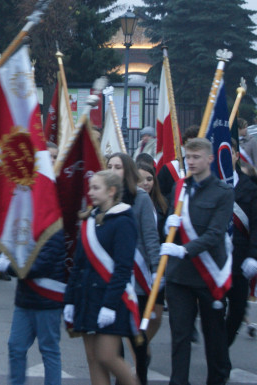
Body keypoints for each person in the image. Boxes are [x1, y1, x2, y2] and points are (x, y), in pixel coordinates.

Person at [158, 137, 234, 385]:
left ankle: (218, 379)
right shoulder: (180, 188)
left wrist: (183, 250)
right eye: (188, 157)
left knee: (214, 336)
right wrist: (169, 224)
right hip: (180, 276)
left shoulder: (223, 192)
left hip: (208, 274)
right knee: (180, 335)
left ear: (209, 159)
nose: (190, 162)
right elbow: (172, 224)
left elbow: (215, 234)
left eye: (196, 157)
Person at [63, 170, 139, 385]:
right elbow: (77, 265)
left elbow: (123, 268)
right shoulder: (89, 220)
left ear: (112, 191)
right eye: (90, 188)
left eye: (96, 188)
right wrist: (69, 299)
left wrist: (109, 305)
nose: (90, 192)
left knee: (107, 356)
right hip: (86, 297)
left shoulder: (124, 222)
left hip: (111, 300)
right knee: (93, 359)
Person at [105, 153, 159, 385]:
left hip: (137, 279)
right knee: (115, 337)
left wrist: (157, 270)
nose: (113, 170)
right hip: (112, 276)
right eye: (109, 166)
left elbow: (150, 236)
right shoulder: (105, 197)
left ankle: (141, 378)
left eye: (118, 166)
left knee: (137, 337)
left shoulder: (141, 198)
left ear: (127, 171)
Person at [0, 229, 67, 385]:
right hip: (24, 300)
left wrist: (9, 267)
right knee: (16, 347)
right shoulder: (25, 225)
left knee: (49, 351)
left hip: (47, 301)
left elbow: (40, 266)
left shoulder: (54, 229)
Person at [225, 159, 257, 344]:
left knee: (238, 310)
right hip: (213, 262)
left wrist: (255, 256)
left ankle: (223, 346)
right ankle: (218, 354)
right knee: (212, 311)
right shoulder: (210, 183)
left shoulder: (249, 188)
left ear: (234, 154)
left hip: (239, 261)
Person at [134, 155, 167, 346]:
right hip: (138, 267)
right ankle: (139, 355)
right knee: (137, 318)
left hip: (156, 267)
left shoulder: (164, 205)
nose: (145, 183)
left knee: (156, 317)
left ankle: (142, 346)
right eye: (140, 179)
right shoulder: (131, 203)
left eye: (149, 179)